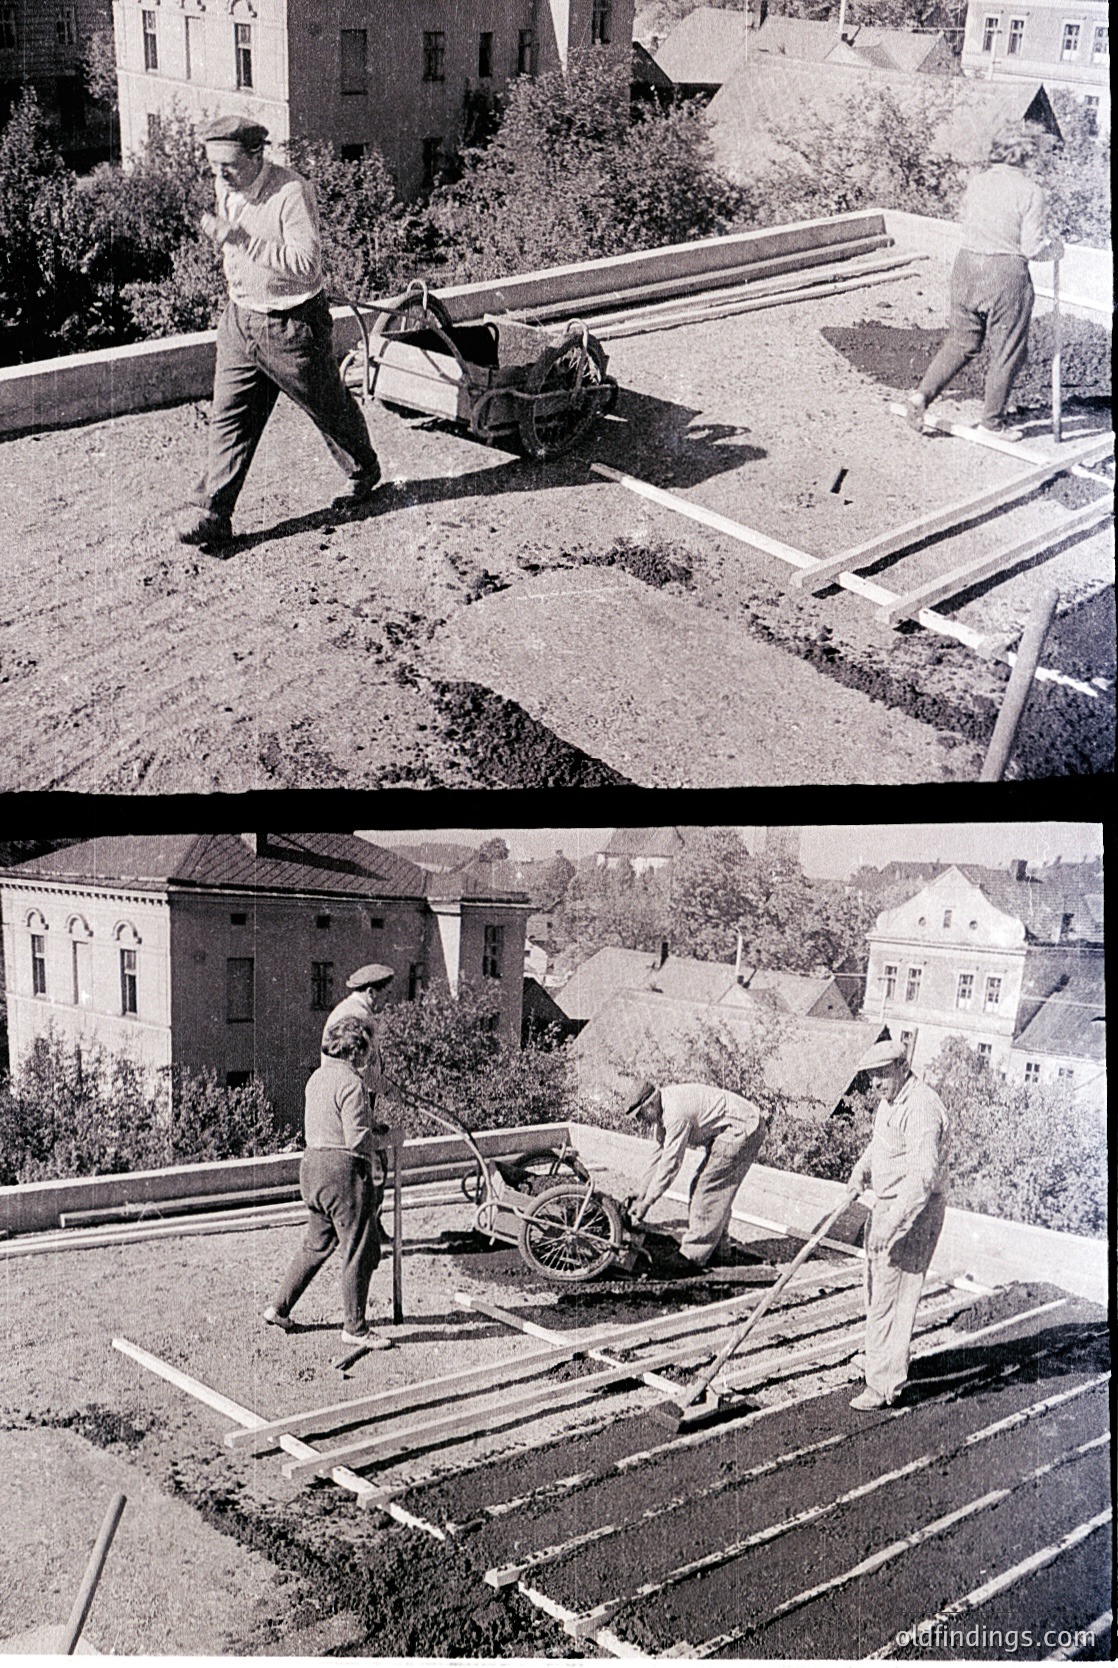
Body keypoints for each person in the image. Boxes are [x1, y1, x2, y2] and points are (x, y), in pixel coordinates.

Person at [177, 114, 382, 550]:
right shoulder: (226, 185)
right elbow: (235, 243)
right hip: (239, 320)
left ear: (257, 155)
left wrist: (243, 241)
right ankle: (215, 512)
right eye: (213, 166)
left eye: (227, 165)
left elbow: (308, 268)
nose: (219, 175)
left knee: (325, 406)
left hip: (291, 326)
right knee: (229, 418)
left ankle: (364, 470)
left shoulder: (291, 192)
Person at [903, 127, 1064, 443]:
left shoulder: (978, 182)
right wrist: (1056, 249)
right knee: (1007, 351)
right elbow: (1032, 248)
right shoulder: (1031, 191)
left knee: (961, 341)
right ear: (1028, 155)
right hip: (1004, 273)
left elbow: (969, 221)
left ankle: (920, 397)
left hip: (966, 266)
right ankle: (993, 423)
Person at [264, 1017, 399, 1346]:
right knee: (359, 1249)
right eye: (365, 1052)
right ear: (355, 1052)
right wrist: (391, 1138)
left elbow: (335, 1123)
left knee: (317, 1243)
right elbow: (356, 1142)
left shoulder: (317, 1078)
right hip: (343, 1172)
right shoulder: (352, 1084)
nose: (367, 1059)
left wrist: (372, 1127)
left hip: (312, 1167)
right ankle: (355, 1329)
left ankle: (278, 1308)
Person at [847, 1038, 950, 1411]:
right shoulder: (890, 1103)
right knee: (877, 1291)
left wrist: (891, 1225)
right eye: (871, 1076)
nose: (874, 1083)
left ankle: (884, 1385)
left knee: (893, 1297)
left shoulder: (921, 1107)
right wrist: (861, 1171)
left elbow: (922, 1178)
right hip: (888, 1205)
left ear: (903, 1069)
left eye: (881, 1075)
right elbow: (881, 1145)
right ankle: (881, 1358)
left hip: (913, 1213)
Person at [624, 1081, 769, 1274]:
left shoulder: (676, 1114)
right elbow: (658, 1154)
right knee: (714, 1191)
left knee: (707, 1189)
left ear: (650, 1104)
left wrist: (647, 1202)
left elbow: (671, 1164)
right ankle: (719, 1249)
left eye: (640, 1115)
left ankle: (692, 1256)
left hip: (743, 1128)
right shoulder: (662, 1110)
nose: (640, 1121)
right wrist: (640, 1191)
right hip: (735, 1126)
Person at [321, 963, 395, 1098]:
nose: (388, 1001)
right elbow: (362, 1067)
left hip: (337, 1092)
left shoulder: (345, 1009)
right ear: (371, 992)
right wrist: (388, 1089)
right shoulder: (360, 1017)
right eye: (387, 994)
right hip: (350, 1096)